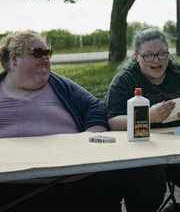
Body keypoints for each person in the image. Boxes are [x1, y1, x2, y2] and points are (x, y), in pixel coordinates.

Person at [0, 30, 165, 212]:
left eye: (48, 53)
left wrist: (91, 136)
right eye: (38, 53)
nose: (45, 58)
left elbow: (94, 107)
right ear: (14, 59)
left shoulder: (60, 84)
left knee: (141, 175)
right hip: (15, 182)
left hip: (74, 177)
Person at [105, 27, 180, 212]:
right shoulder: (125, 80)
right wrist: (148, 117)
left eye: (162, 54)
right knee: (148, 184)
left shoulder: (177, 75)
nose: (156, 60)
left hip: (176, 148)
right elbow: (113, 122)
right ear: (137, 56)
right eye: (148, 56)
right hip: (142, 152)